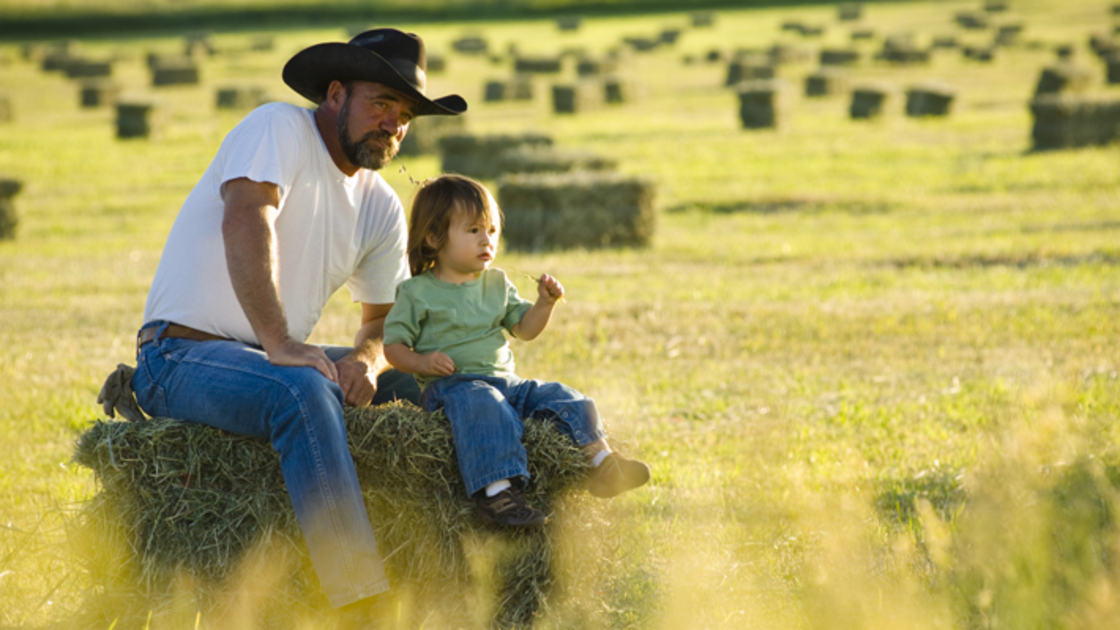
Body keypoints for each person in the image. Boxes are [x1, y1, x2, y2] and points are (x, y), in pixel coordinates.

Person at [128, 28, 466, 620]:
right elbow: (247, 220)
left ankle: (481, 533)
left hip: (264, 361)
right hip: (178, 358)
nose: (393, 123)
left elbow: (384, 325)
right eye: (380, 104)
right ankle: (359, 598)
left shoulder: (381, 204)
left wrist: (365, 360)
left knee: (424, 376)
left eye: (405, 113)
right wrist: (281, 343)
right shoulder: (277, 128)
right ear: (335, 93)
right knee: (303, 388)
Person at [383, 174, 651, 528]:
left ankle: (602, 463)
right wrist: (421, 361)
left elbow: (524, 329)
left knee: (563, 395)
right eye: (474, 230)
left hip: (507, 385)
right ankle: (498, 495)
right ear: (434, 237)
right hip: (454, 390)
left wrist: (544, 304)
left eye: (492, 230)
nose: (487, 240)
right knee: (486, 406)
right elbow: (393, 348)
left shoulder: (496, 283)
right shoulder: (416, 293)